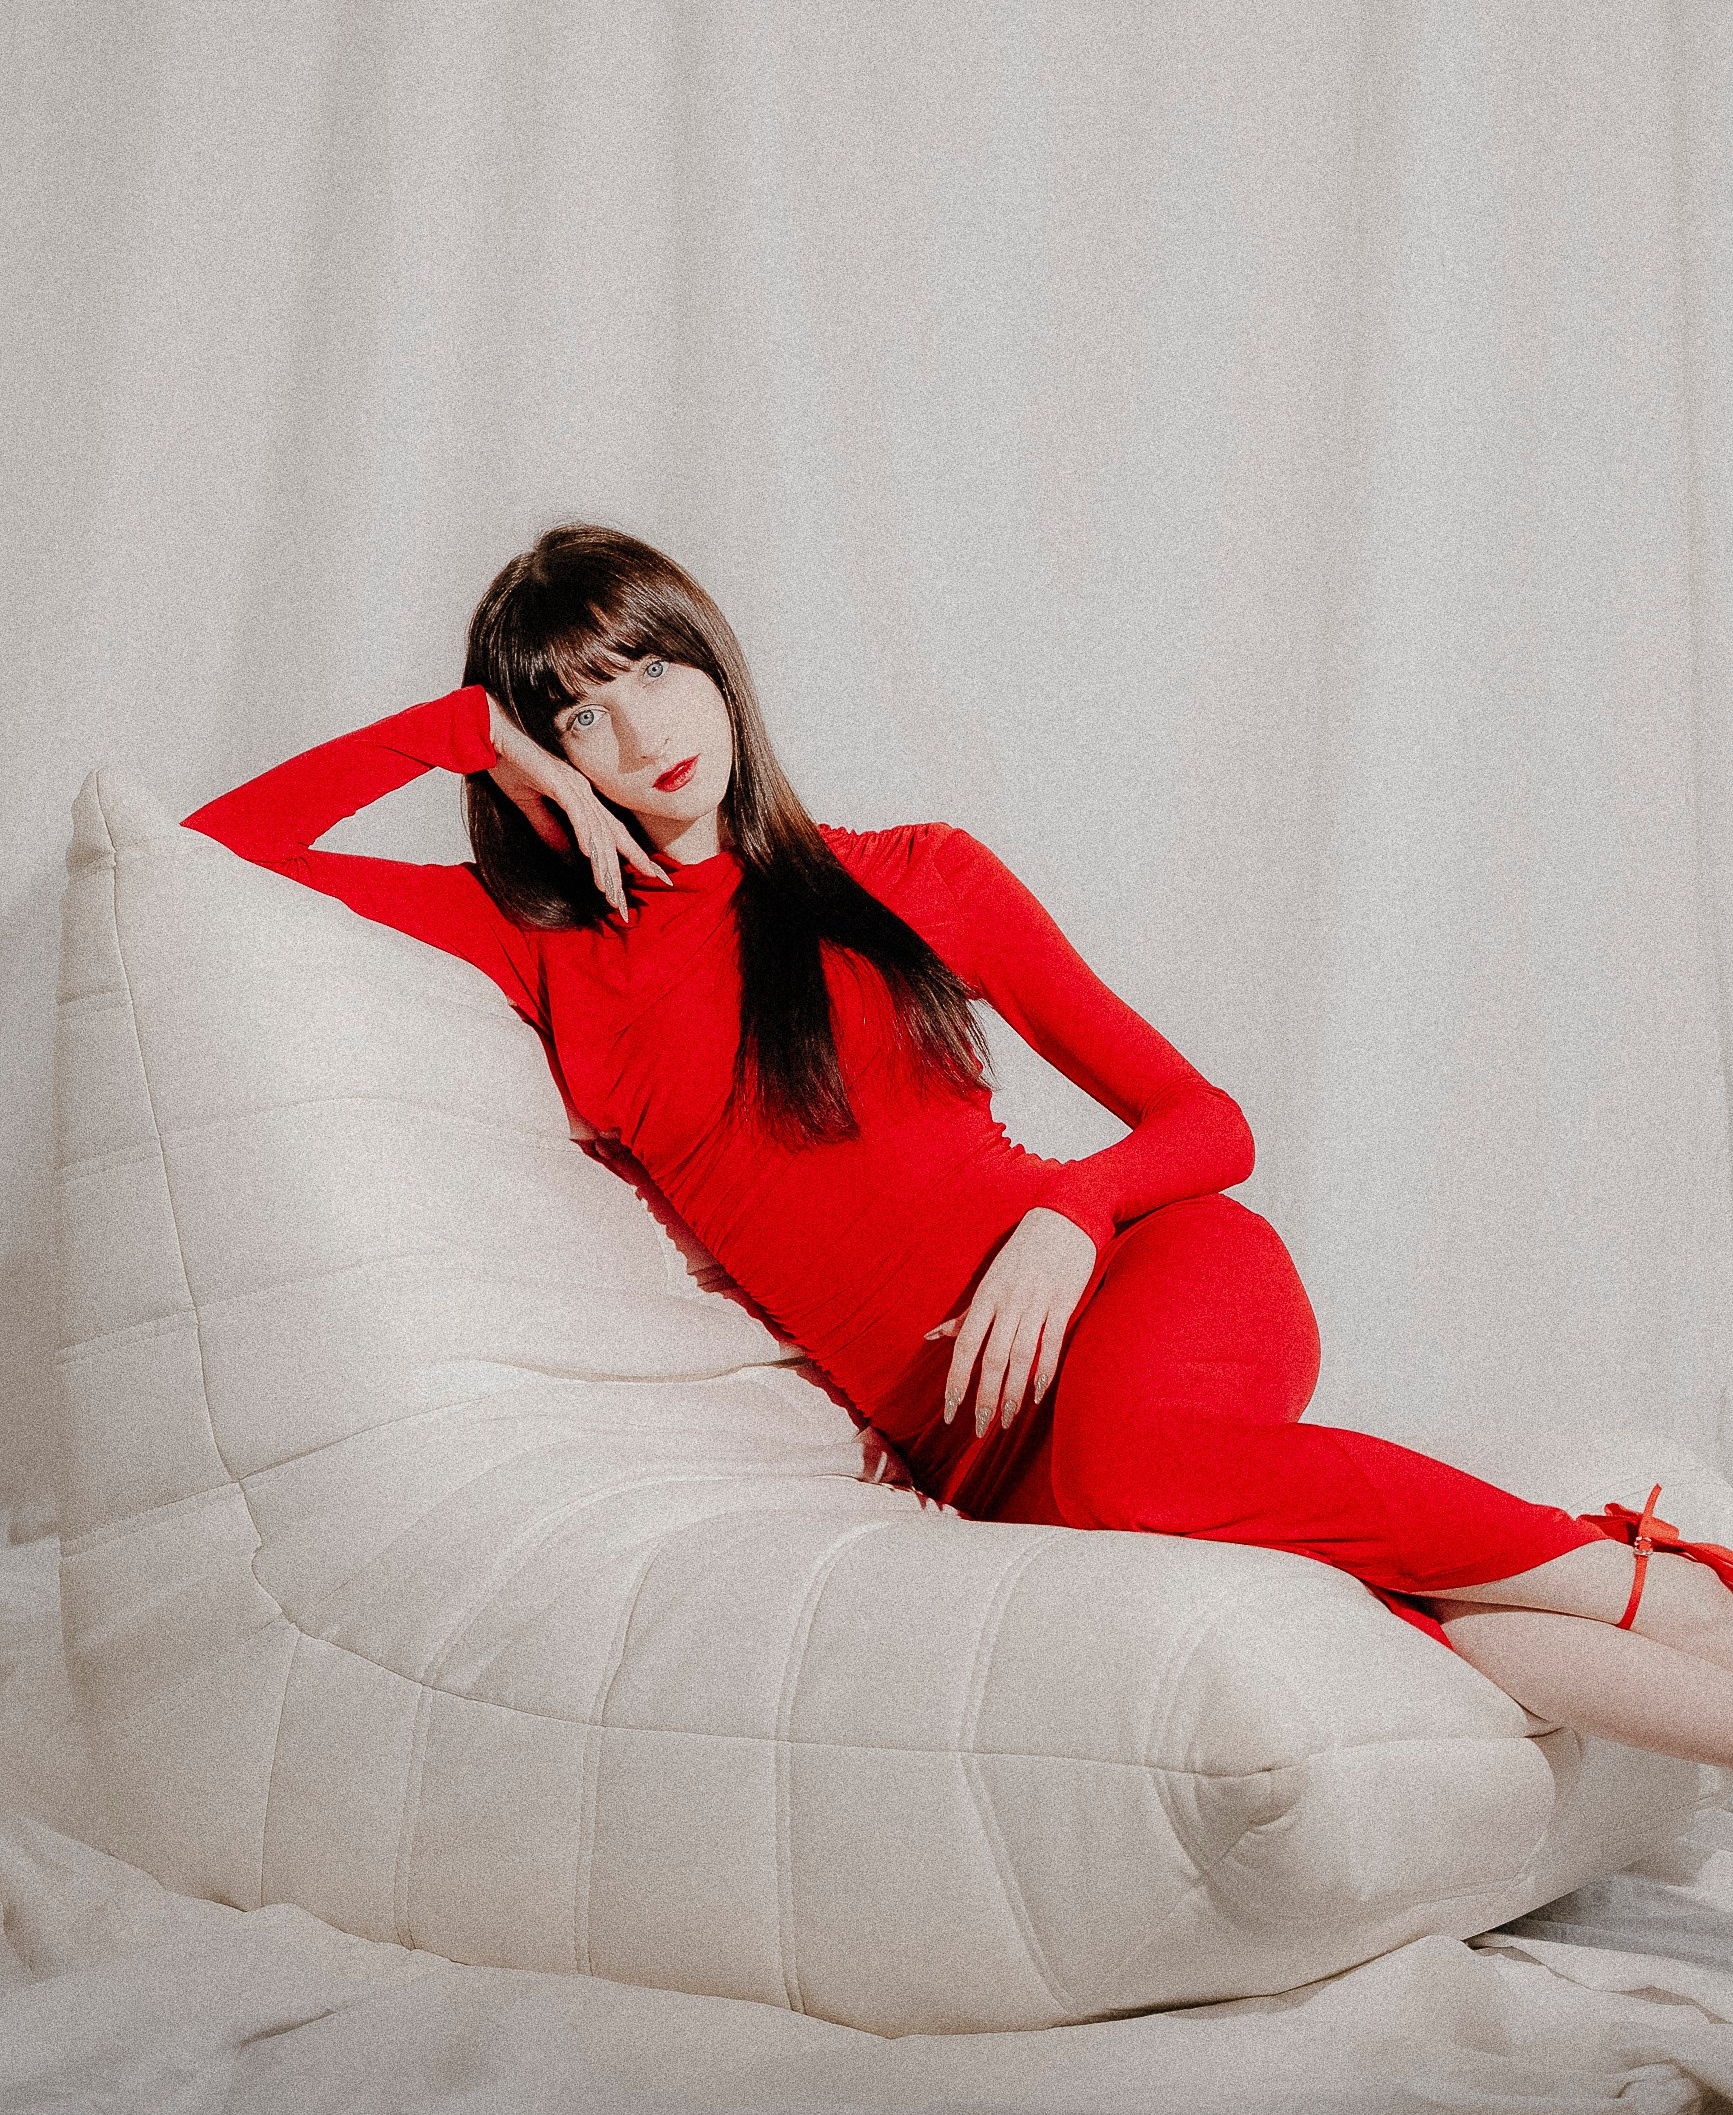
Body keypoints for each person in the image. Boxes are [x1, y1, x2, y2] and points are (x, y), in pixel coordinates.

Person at [185, 522, 1733, 1768]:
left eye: (652, 668)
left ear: (715, 667)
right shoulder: (538, 948)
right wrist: (459, 732)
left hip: (1151, 1279)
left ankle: (1652, 1581)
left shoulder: (915, 875)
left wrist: (1069, 1217)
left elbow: (1209, 1125)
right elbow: (209, 852)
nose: (638, 727)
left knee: (1142, 1463)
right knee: (1417, 1619)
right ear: (545, 755)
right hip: (991, 1460)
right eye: (579, 709)